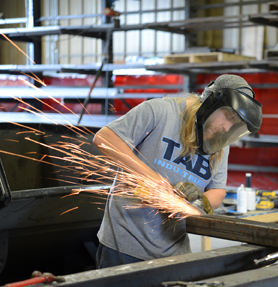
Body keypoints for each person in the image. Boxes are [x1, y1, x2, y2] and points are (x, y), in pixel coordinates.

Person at [93, 74, 263, 268]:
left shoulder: (220, 144)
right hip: (125, 247)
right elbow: (105, 138)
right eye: (228, 117)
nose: (227, 127)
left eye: (235, 124)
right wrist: (152, 179)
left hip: (175, 253)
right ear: (210, 101)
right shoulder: (160, 111)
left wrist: (202, 199)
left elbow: (218, 191)